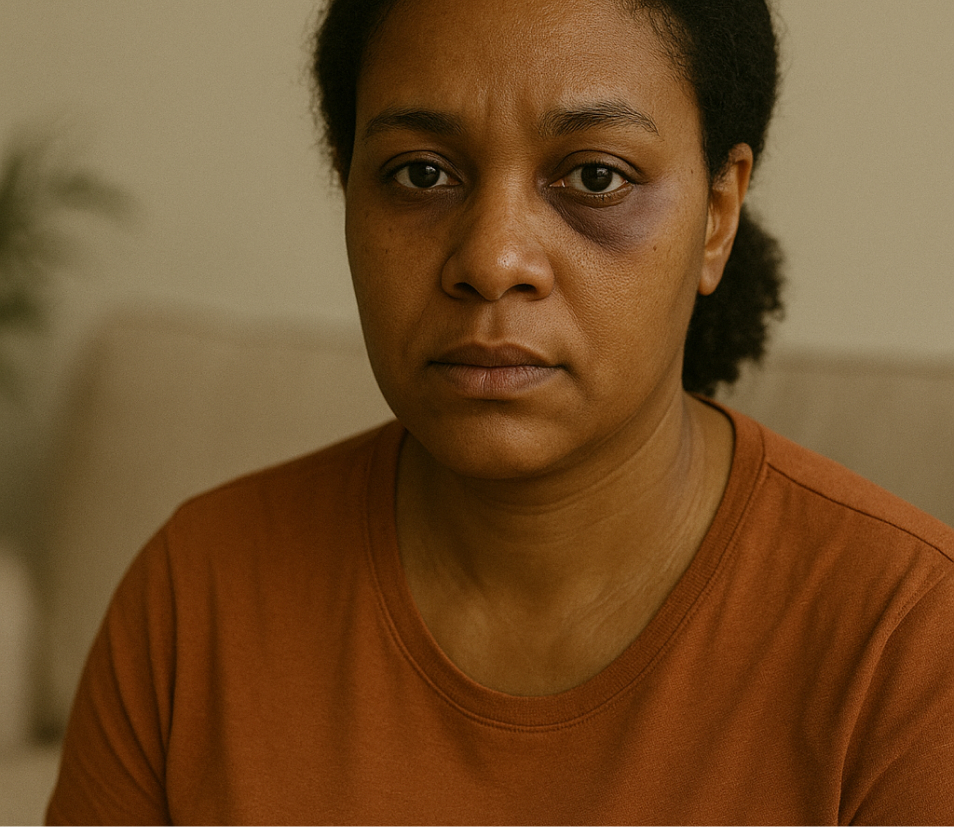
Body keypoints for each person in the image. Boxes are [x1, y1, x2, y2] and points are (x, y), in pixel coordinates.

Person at [47, 0, 954, 823]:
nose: (491, 258)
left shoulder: (907, 642)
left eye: (594, 176)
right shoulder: (195, 597)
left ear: (717, 215)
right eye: (420, 173)